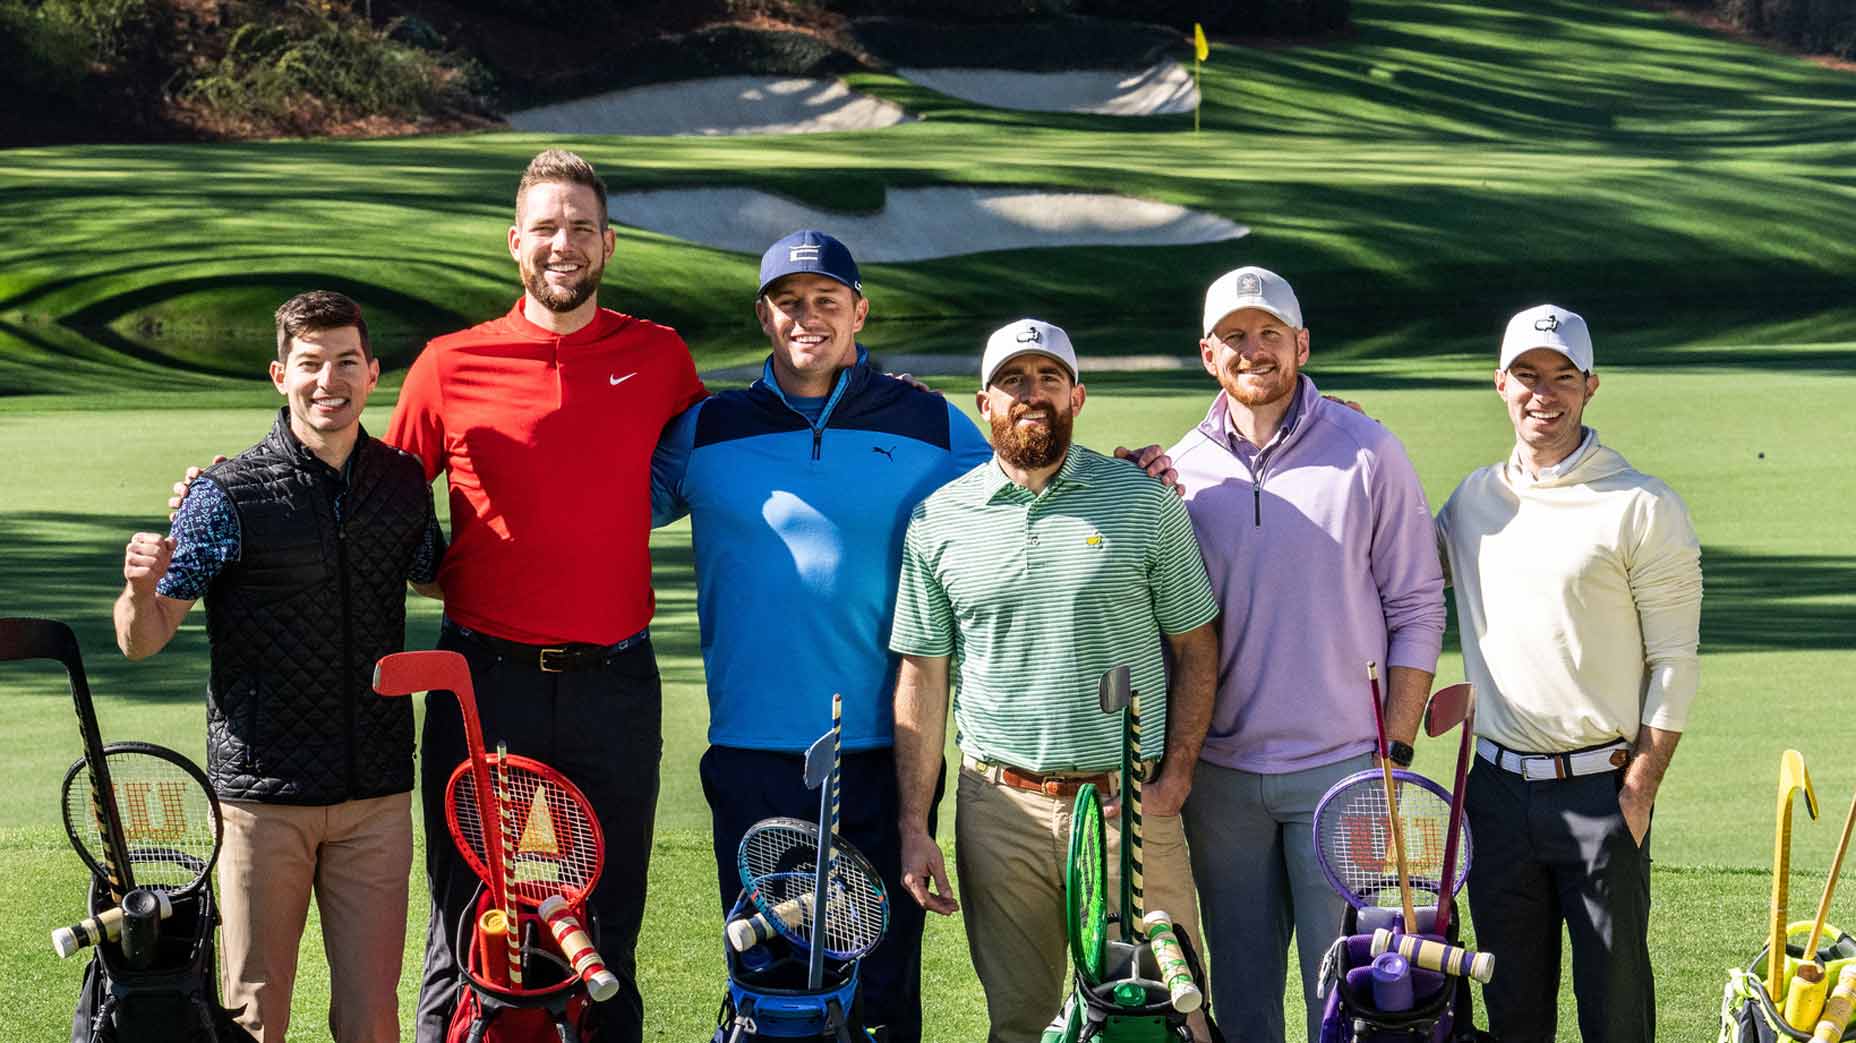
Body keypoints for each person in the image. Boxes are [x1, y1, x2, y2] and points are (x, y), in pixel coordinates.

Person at [385, 149, 708, 1042]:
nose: (562, 244)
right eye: (545, 228)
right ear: (514, 243)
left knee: (606, 939)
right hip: (484, 685)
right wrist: (229, 485)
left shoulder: (660, 357)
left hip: (616, 685)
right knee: (472, 932)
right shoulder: (448, 364)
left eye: (579, 228)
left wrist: (887, 390)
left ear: (608, 243)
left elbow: (745, 441)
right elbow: (378, 504)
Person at [650, 229, 991, 1041]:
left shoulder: (931, 422)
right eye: (788, 302)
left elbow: (1026, 487)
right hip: (751, 751)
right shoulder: (706, 428)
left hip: (884, 751)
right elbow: (605, 502)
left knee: (880, 986)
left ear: (859, 311)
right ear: (764, 316)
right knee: (767, 975)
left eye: (826, 301)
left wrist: (1130, 471)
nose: (808, 317)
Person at [114, 290, 445, 1043]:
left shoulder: (400, 484)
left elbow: (436, 572)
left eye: (345, 362)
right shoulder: (223, 493)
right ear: (278, 373)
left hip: (377, 796)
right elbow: (144, 635)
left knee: (371, 1019)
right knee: (252, 1014)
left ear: (373, 373)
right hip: (262, 803)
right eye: (309, 364)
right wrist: (138, 587)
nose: (327, 380)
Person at [890, 318, 1220, 1043]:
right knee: (1022, 1023)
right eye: (1013, 381)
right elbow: (923, 675)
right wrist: (915, 824)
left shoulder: (1143, 502)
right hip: (1000, 807)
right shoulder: (938, 521)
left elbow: (1197, 647)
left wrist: (1178, 776)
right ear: (985, 403)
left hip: (1126, 805)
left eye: (1047, 379)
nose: (1030, 394)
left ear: (1077, 395)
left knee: (1170, 1014)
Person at [1162, 266, 1446, 1043]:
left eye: (1270, 335)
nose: (1253, 352)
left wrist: (1393, 746)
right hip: (1222, 779)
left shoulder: (1368, 450)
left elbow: (1419, 605)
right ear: (1208, 354)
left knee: (1351, 1002)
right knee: (1246, 1005)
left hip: (1344, 769)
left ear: (1302, 344)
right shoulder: (1178, 471)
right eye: (1234, 338)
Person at [1435, 304, 1700, 1043]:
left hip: (1599, 790)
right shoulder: (1470, 502)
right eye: (1527, 376)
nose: (1542, 394)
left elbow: (1675, 661)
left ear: (1590, 386)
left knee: (1615, 1013)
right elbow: (1395, 570)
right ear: (1500, 384)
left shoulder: (1643, 505)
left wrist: (1639, 788)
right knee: (1512, 1008)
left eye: (1561, 377)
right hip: (1493, 791)